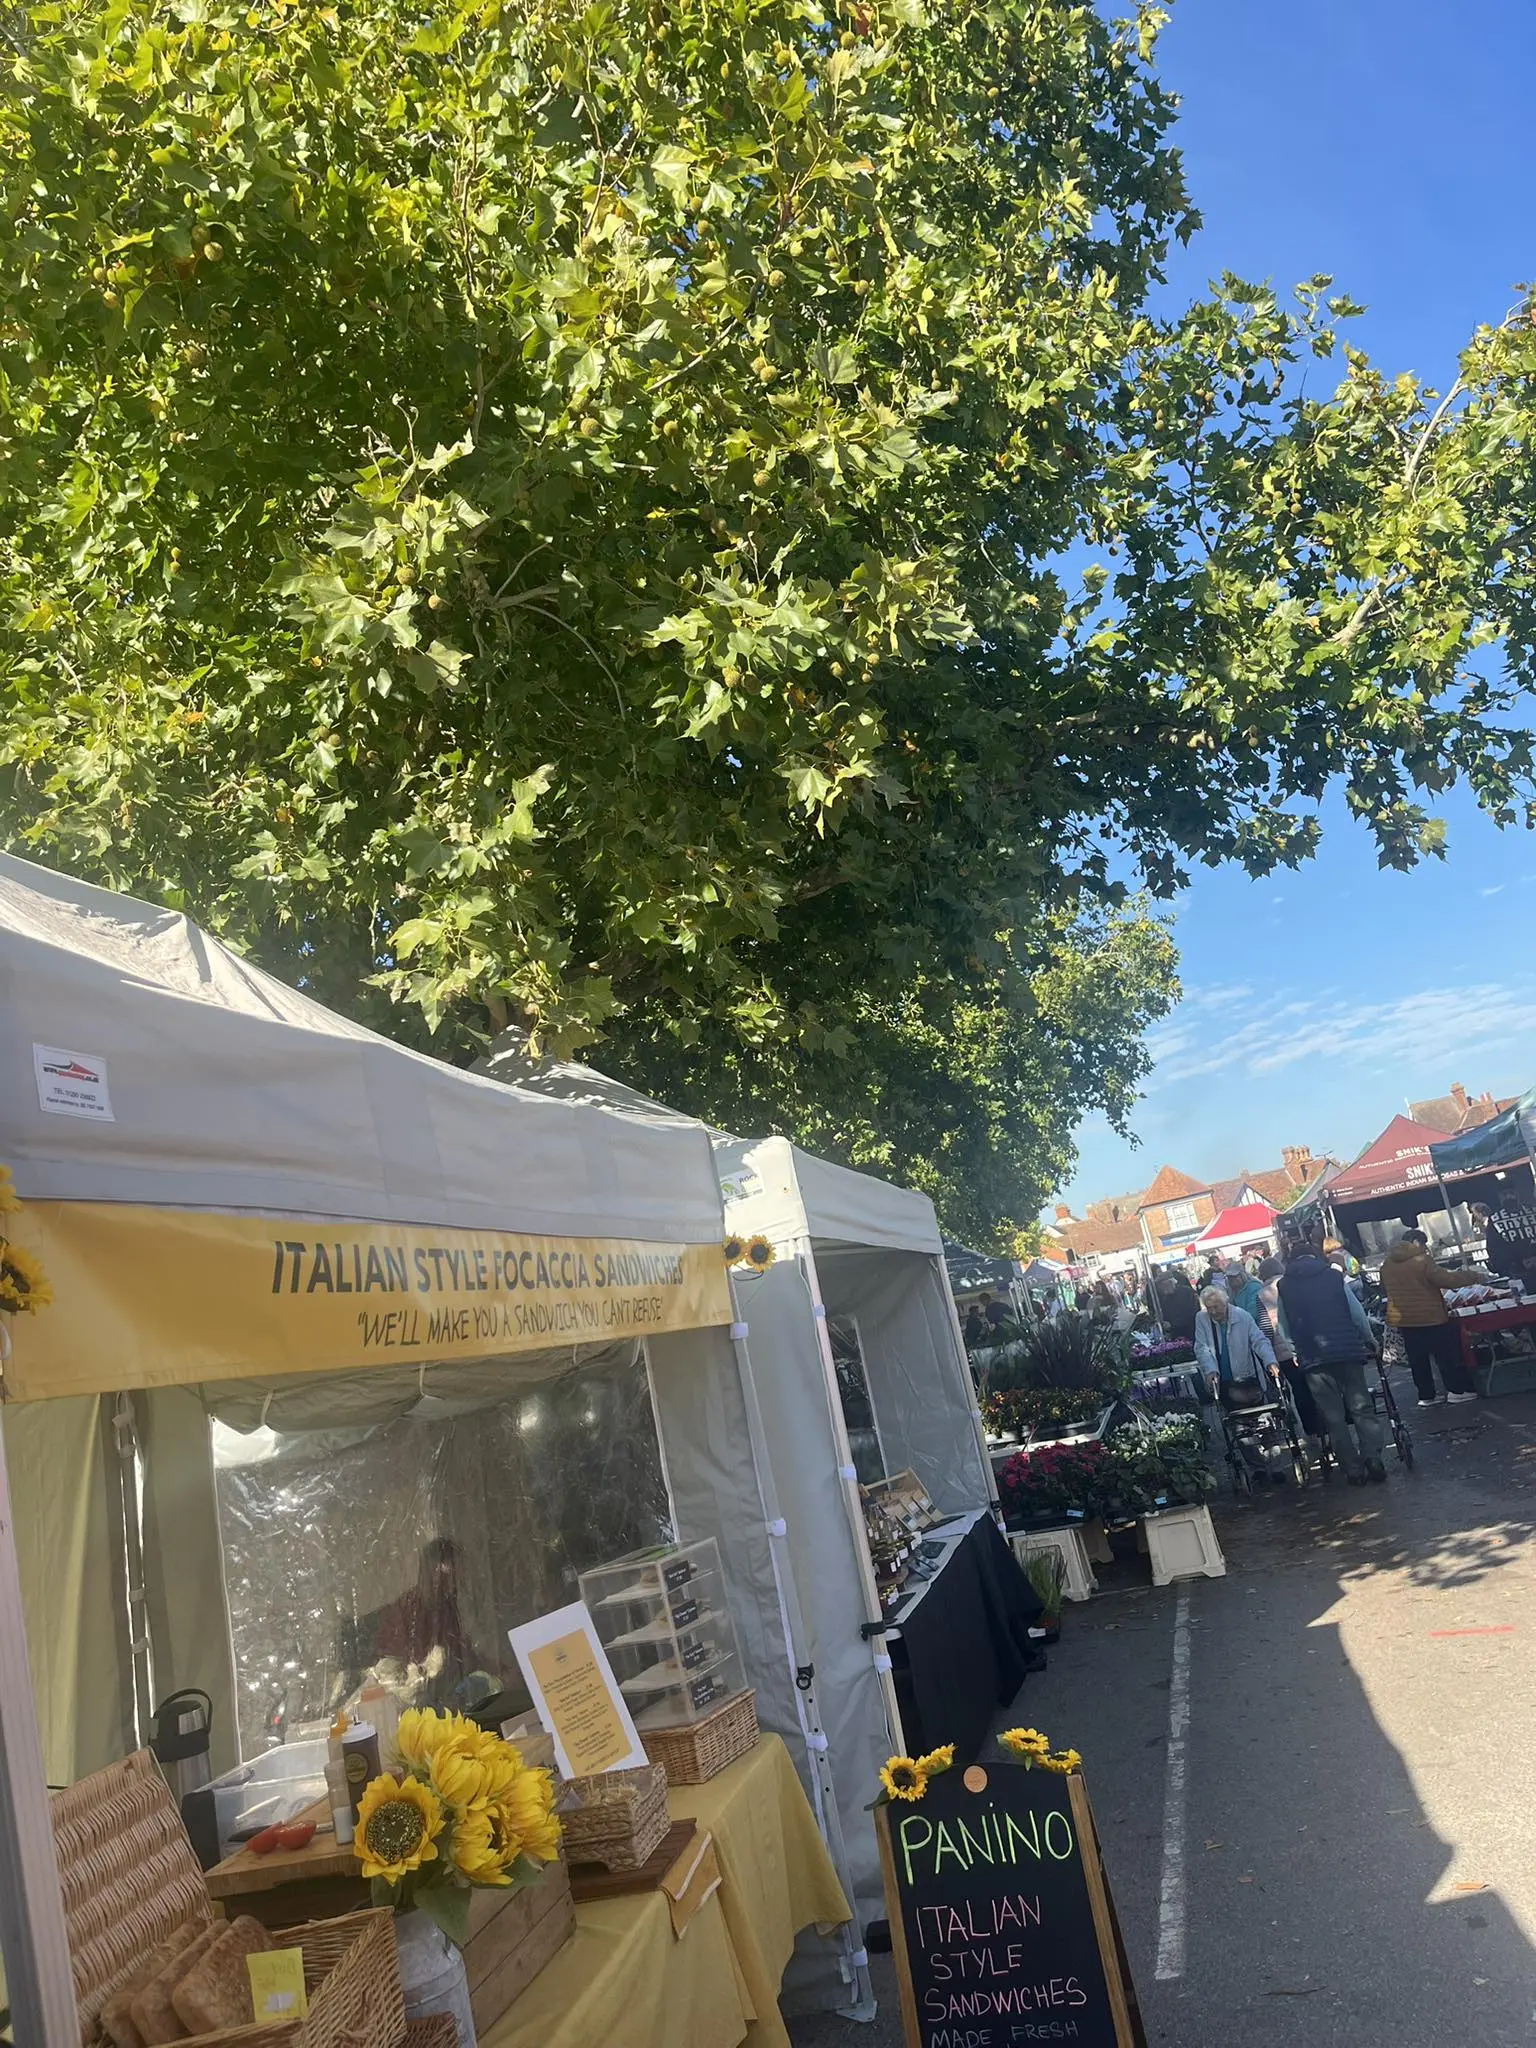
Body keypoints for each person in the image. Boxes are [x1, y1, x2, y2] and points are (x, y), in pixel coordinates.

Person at [1278, 1237, 1388, 1485]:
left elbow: (1283, 1326)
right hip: (1347, 1351)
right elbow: (1356, 1313)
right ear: (1316, 1256)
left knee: (1333, 1416)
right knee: (1361, 1407)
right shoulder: (1333, 1277)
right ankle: (1372, 1457)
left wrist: (1296, 1351)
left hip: (1313, 1358)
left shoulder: (1284, 1286)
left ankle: (1353, 1470)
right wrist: (1369, 1338)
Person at [374, 1537, 489, 1702]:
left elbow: (460, 1653)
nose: (461, 1580)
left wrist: (494, 1669)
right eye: (455, 1571)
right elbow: (414, 1673)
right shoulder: (411, 1610)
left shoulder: (445, 1606)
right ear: (437, 1572)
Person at [1379, 1229, 1481, 1407]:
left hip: (1405, 1319)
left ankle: (1426, 1396)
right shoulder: (1422, 1260)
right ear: (1416, 1242)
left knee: (1418, 1360)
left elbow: (1385, 1288)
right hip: (1430, 1316)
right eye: (1424, 1244)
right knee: (1444, 1356)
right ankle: (1456, 1391)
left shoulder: (1387, 1264)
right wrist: (1473, 1276)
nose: (1426, 1248)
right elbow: (1446, 1279)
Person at [1257, 1253, 1322, 1439]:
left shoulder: (1261, 1294)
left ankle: (1311, 1430)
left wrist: (1269, 1355)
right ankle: (1326, 1422)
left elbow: (1265, 1327)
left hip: (1283, 1353)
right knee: (1317, 1385)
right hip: (1305, 1345)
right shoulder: (1293, 1285)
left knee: (1299, 1390)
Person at [1471, 1199, 1536, 1291]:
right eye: (1506, 1194)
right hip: (1518, 1274)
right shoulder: (1532, 1212)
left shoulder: (1494, 1220)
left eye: (1510, 1193)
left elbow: (1494, 1250)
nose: (1509, 1196)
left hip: (1517, 1274)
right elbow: (1495, 1250)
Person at [1154, 1265, 1200, 1343]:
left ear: (1169, 1283)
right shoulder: (1165, 1298)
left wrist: (1173, 1324)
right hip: (1177, 1337)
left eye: (1162, 1286)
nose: (1161, 1289)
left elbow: (1193, 1313)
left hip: (1191, 1332)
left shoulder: (1187, 1292)